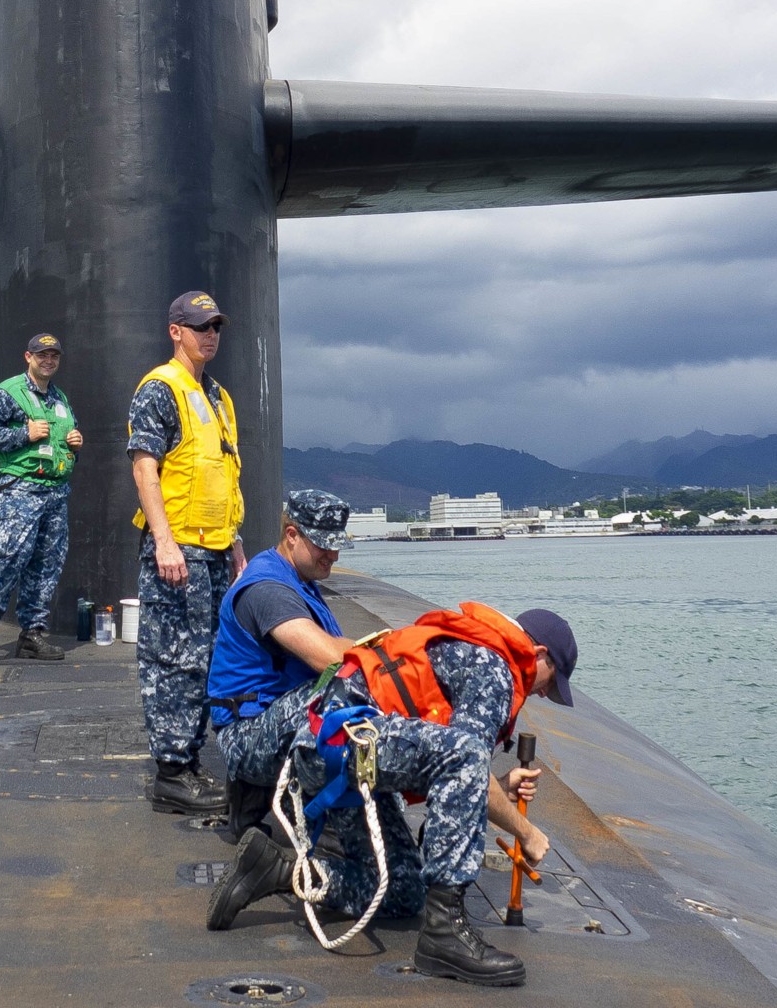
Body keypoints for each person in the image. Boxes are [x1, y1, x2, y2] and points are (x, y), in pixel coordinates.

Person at [208, 600, 578, 990]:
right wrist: (527, 833)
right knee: (466, 755)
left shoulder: (473, 647)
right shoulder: (495, 670)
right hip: (348, 745)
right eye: (550, 684)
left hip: (335, 753)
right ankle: (444, 936)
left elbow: (453, 772)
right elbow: (465, 762)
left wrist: (496, 786)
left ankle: (275, 870)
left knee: (405, 891)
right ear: (539, 655)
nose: (541, 695)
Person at [128, 289, 246, 814]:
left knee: (206, 659)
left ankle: (191, 761)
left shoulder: (219, 397)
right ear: (175, 331)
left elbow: (226, 476)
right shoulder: (160, 389)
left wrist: (237, 545)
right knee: (175, 659)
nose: (210, 335)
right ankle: (172, 773)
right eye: (200, 327)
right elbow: (144, 468)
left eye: (216, 327)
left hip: (216, 550)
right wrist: (164, 542)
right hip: (179, 552)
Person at [206, 489, 357, 799]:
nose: (334, 556)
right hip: (247, 733)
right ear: (292, 535)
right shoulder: (269, 589)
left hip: (271, 716)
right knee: (345, 695)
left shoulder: (298, 579)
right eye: (324, 546)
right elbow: (329, 659)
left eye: (337, 546)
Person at [0, 334, 83, 664]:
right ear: (28, 357)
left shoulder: (59, 399)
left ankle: (32, 634)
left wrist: (74, 442)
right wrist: (24, 434)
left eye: (54, 356)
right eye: (41, 355)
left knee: (48, 564)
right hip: (21, 489)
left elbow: (61, 441)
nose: (48, 360)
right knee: (12, 556)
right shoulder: (9, 393)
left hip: (55, 492)